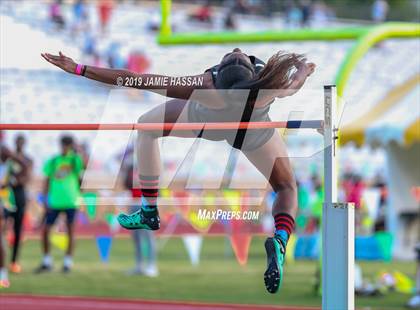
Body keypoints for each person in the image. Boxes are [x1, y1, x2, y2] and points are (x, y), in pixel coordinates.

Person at [41, 47, 315, 293]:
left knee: (146, 128)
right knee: (286, 187)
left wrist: (80, 69)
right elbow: (294, 85)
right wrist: (304, 70)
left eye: (232, 54)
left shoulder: (207, 84)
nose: (236, 48)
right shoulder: (265, 85)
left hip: (206, 119)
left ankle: (149, 210)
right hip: (250, 131)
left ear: (218, 75)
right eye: (238, 54)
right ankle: (280, 239)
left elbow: (136, 79)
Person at [35, 136, 84, 273]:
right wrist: (44, 199)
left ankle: (67, 263)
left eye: (68, 145)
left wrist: (77, 150)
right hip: (54, 202)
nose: (65, 147)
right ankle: (46, 261)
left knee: (71, 231)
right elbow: (46, 180)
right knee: (45, 230)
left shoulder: (75, 159)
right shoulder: (53, 161)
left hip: (71, 201)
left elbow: (82, 168)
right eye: (64, 144)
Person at [121, 146, 158, 277]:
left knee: (148, 236)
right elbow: (126, 184)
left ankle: (152, 266)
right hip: (133, 202)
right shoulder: (131, 167)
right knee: (136, 237)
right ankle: (139, 265)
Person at [0, 132, 30, 287]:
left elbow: (25, 168)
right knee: (2, 234)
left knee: (10, 233)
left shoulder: (5, 151)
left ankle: (9, 267)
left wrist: (13, 181)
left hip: (11, 197)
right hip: (6, 195)